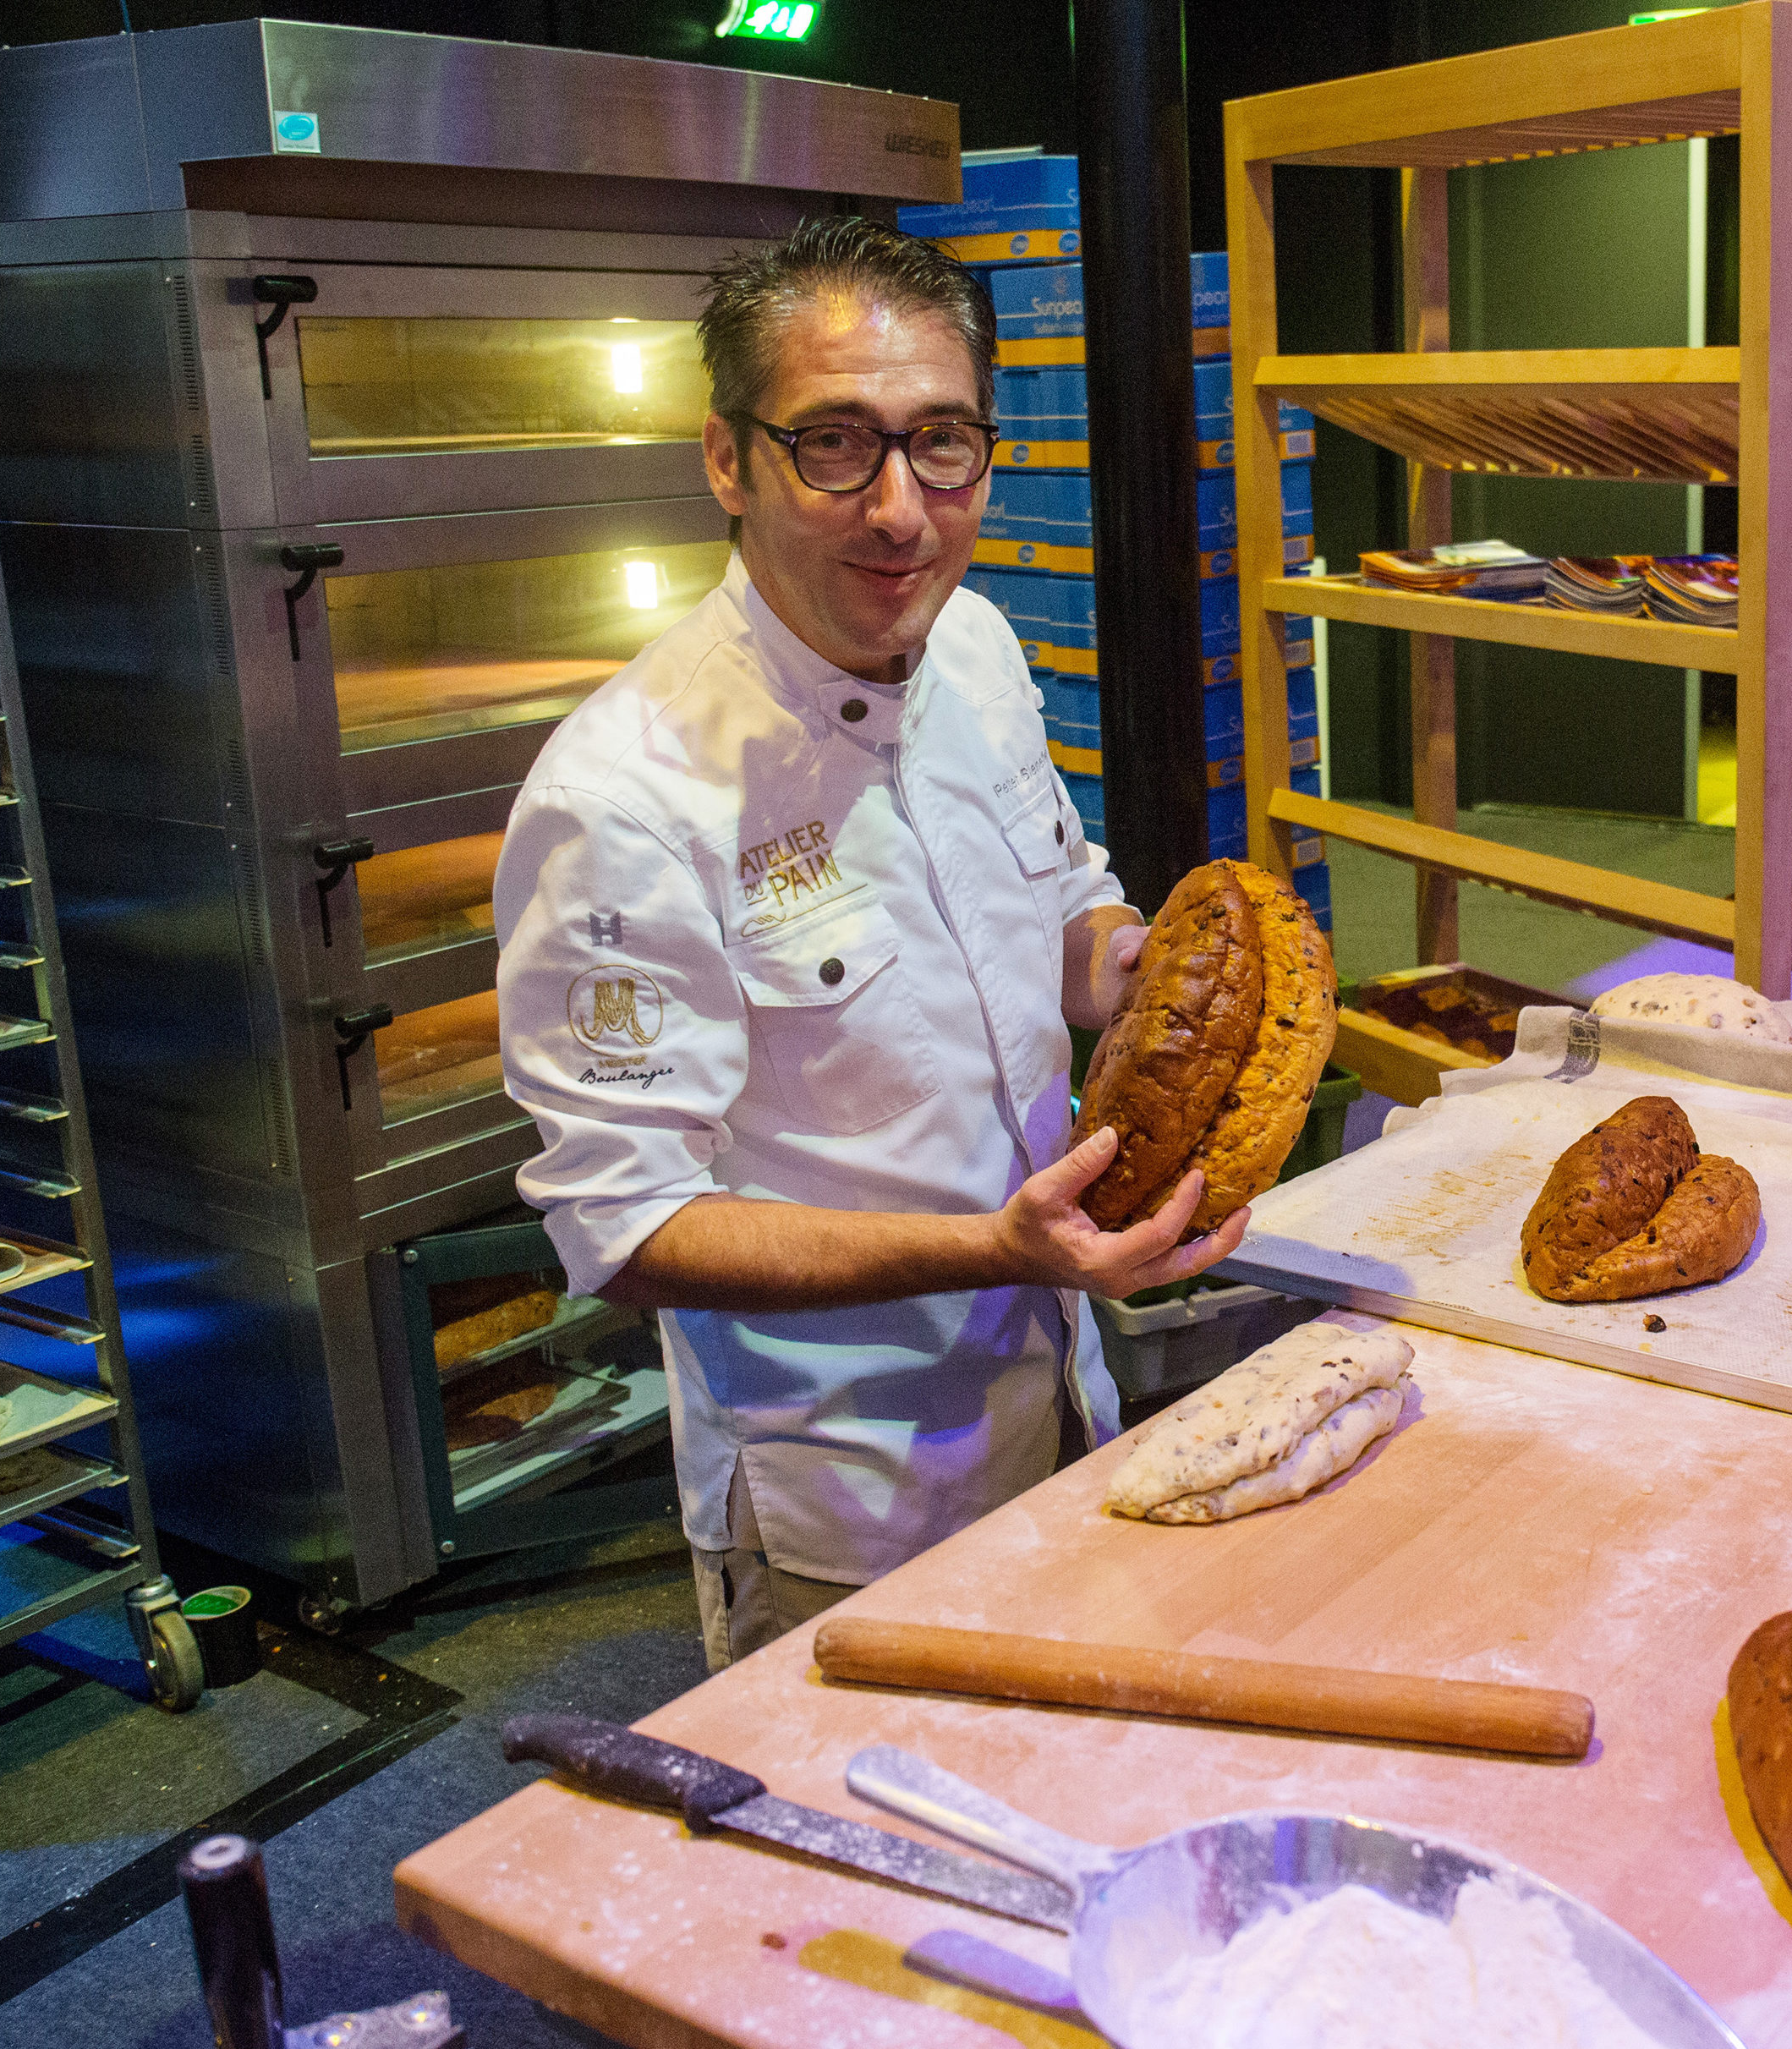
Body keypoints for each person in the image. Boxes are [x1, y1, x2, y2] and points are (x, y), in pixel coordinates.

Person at [490, 219, 1244, 1672]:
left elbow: (1061, 916)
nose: (900, 509)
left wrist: (1160, 979)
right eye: (834, 443)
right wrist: (990, 1246)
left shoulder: (976, 650)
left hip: (1068, 1388)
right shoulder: (625, 797)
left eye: (941, 441)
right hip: (849, 1489)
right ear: (730, 459)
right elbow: (631, 1224)